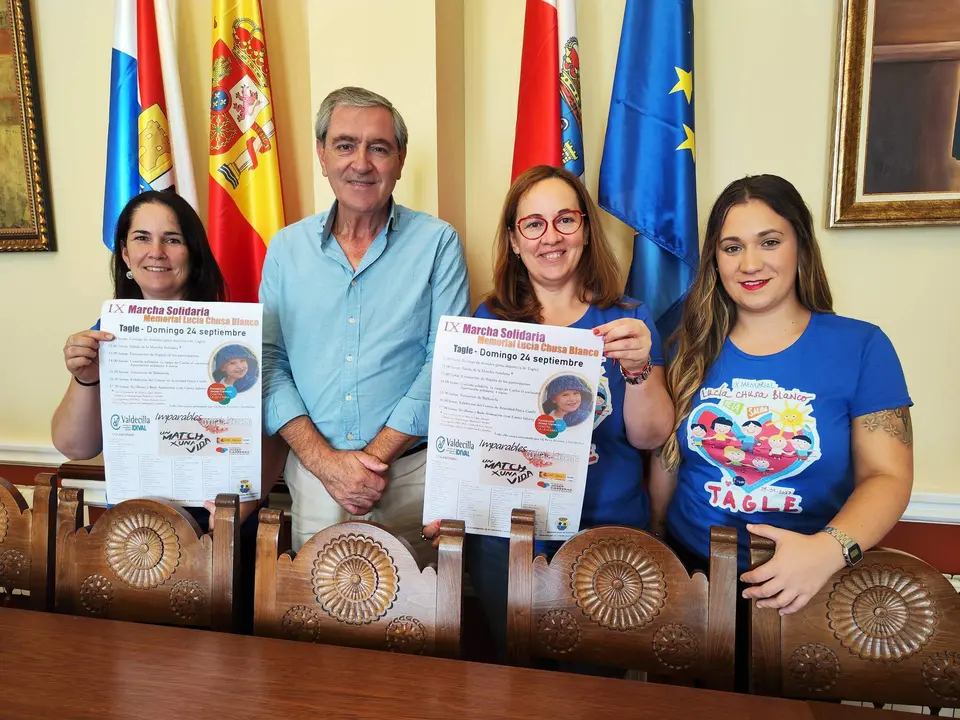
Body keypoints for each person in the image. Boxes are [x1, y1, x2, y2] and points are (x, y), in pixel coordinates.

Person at [424, 164, 674, 664]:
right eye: (533, 224)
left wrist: (640, 369)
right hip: (509, 535)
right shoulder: (487, 318)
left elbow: (650, 437)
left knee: (599, 685)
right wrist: (448, 500)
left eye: (565, 220)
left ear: (585, 229)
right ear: (515, 241)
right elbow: (470, 430)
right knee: (517, 676)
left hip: (607, 534)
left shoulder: (628, 318)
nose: (550, 237)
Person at [649, 174, 913, 620]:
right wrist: (655, 540)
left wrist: (826, 552)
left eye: (769, 242)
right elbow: (668, 459)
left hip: (811, 583)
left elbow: (887, 475)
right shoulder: (685, 347)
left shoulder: (862, 346)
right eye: (732, 247)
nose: (749, 264)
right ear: (715, 260)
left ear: (801, 247)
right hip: (692, 576)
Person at [260, 87, 470, 557]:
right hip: (315, 476)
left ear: (399, 160)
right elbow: (268, 363)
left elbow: (447, 365)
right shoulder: (286, 250)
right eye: (345, 144)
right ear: (322, 154)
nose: (361, 162)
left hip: (411, 478)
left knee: (414, 625)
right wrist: (326, 464)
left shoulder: (438, 244)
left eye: (379, 148)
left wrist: (368, 464)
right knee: (316, 618)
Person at [51, 191, 284, 528]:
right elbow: (74, 446)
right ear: (125, 253)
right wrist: (86, 377)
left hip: (222, 523)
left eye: (172, 240)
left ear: (193, 252)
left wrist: (242, 507)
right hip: (136, 528)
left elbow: (274, 434)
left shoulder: (236, 333)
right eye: (142, 238)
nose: (156, 252)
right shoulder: (107, 333)